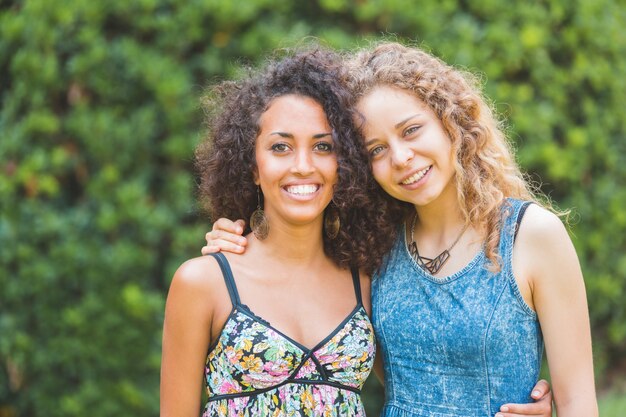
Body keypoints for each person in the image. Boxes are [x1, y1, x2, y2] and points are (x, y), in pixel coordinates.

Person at [204, 42, 596, 416]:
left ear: (451, 122)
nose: (402, 158)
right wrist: (239, 236)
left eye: (411, 130)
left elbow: (578, 402)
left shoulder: (530, 235)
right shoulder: (375, 247)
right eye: (376, 149)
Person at [161, 49, 389, 417]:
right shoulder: (203, 283)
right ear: (252, 166)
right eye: (280, 147)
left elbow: (423, 391)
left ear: (344, 164)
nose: (303, 166)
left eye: (323, 147)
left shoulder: (364, 280)